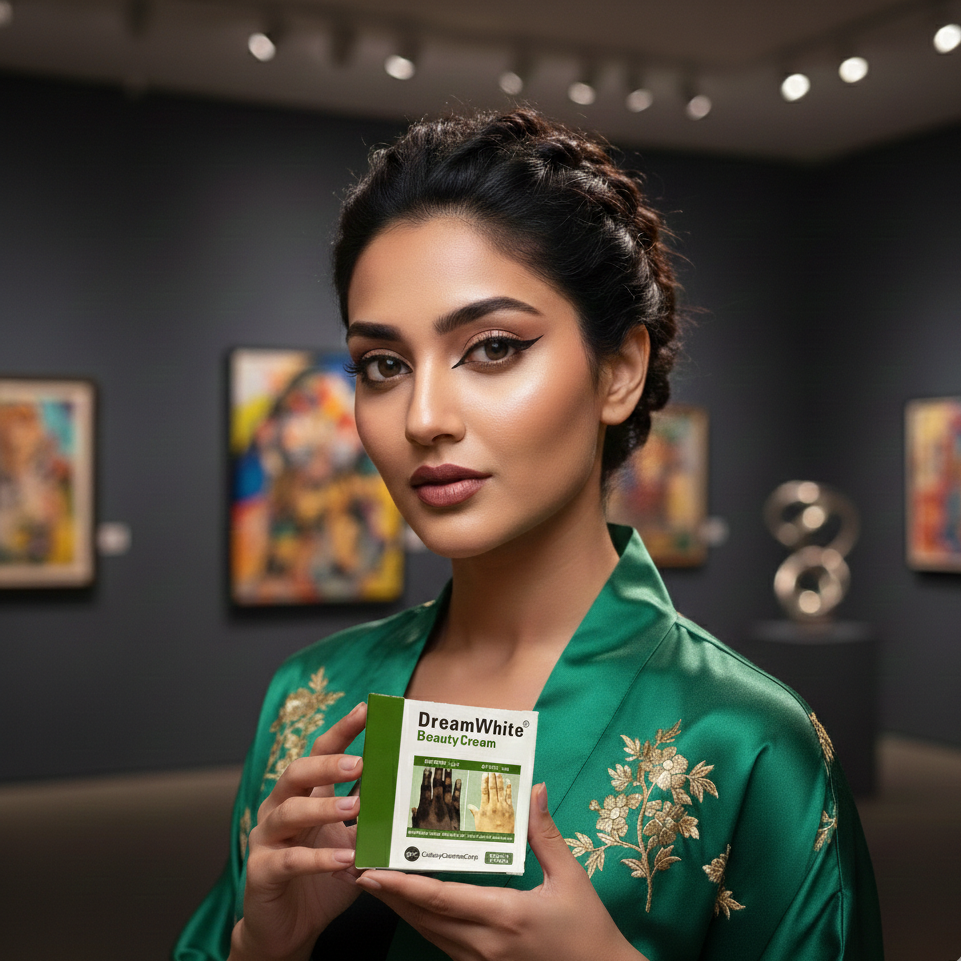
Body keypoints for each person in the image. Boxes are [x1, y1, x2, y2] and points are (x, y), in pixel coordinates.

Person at [175, 108, 883, 961]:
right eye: (382, 365)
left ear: (617, 370)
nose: (424, 418)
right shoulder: (313, 696)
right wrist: (263, 944)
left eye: (493, 348)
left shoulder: (749, 743)